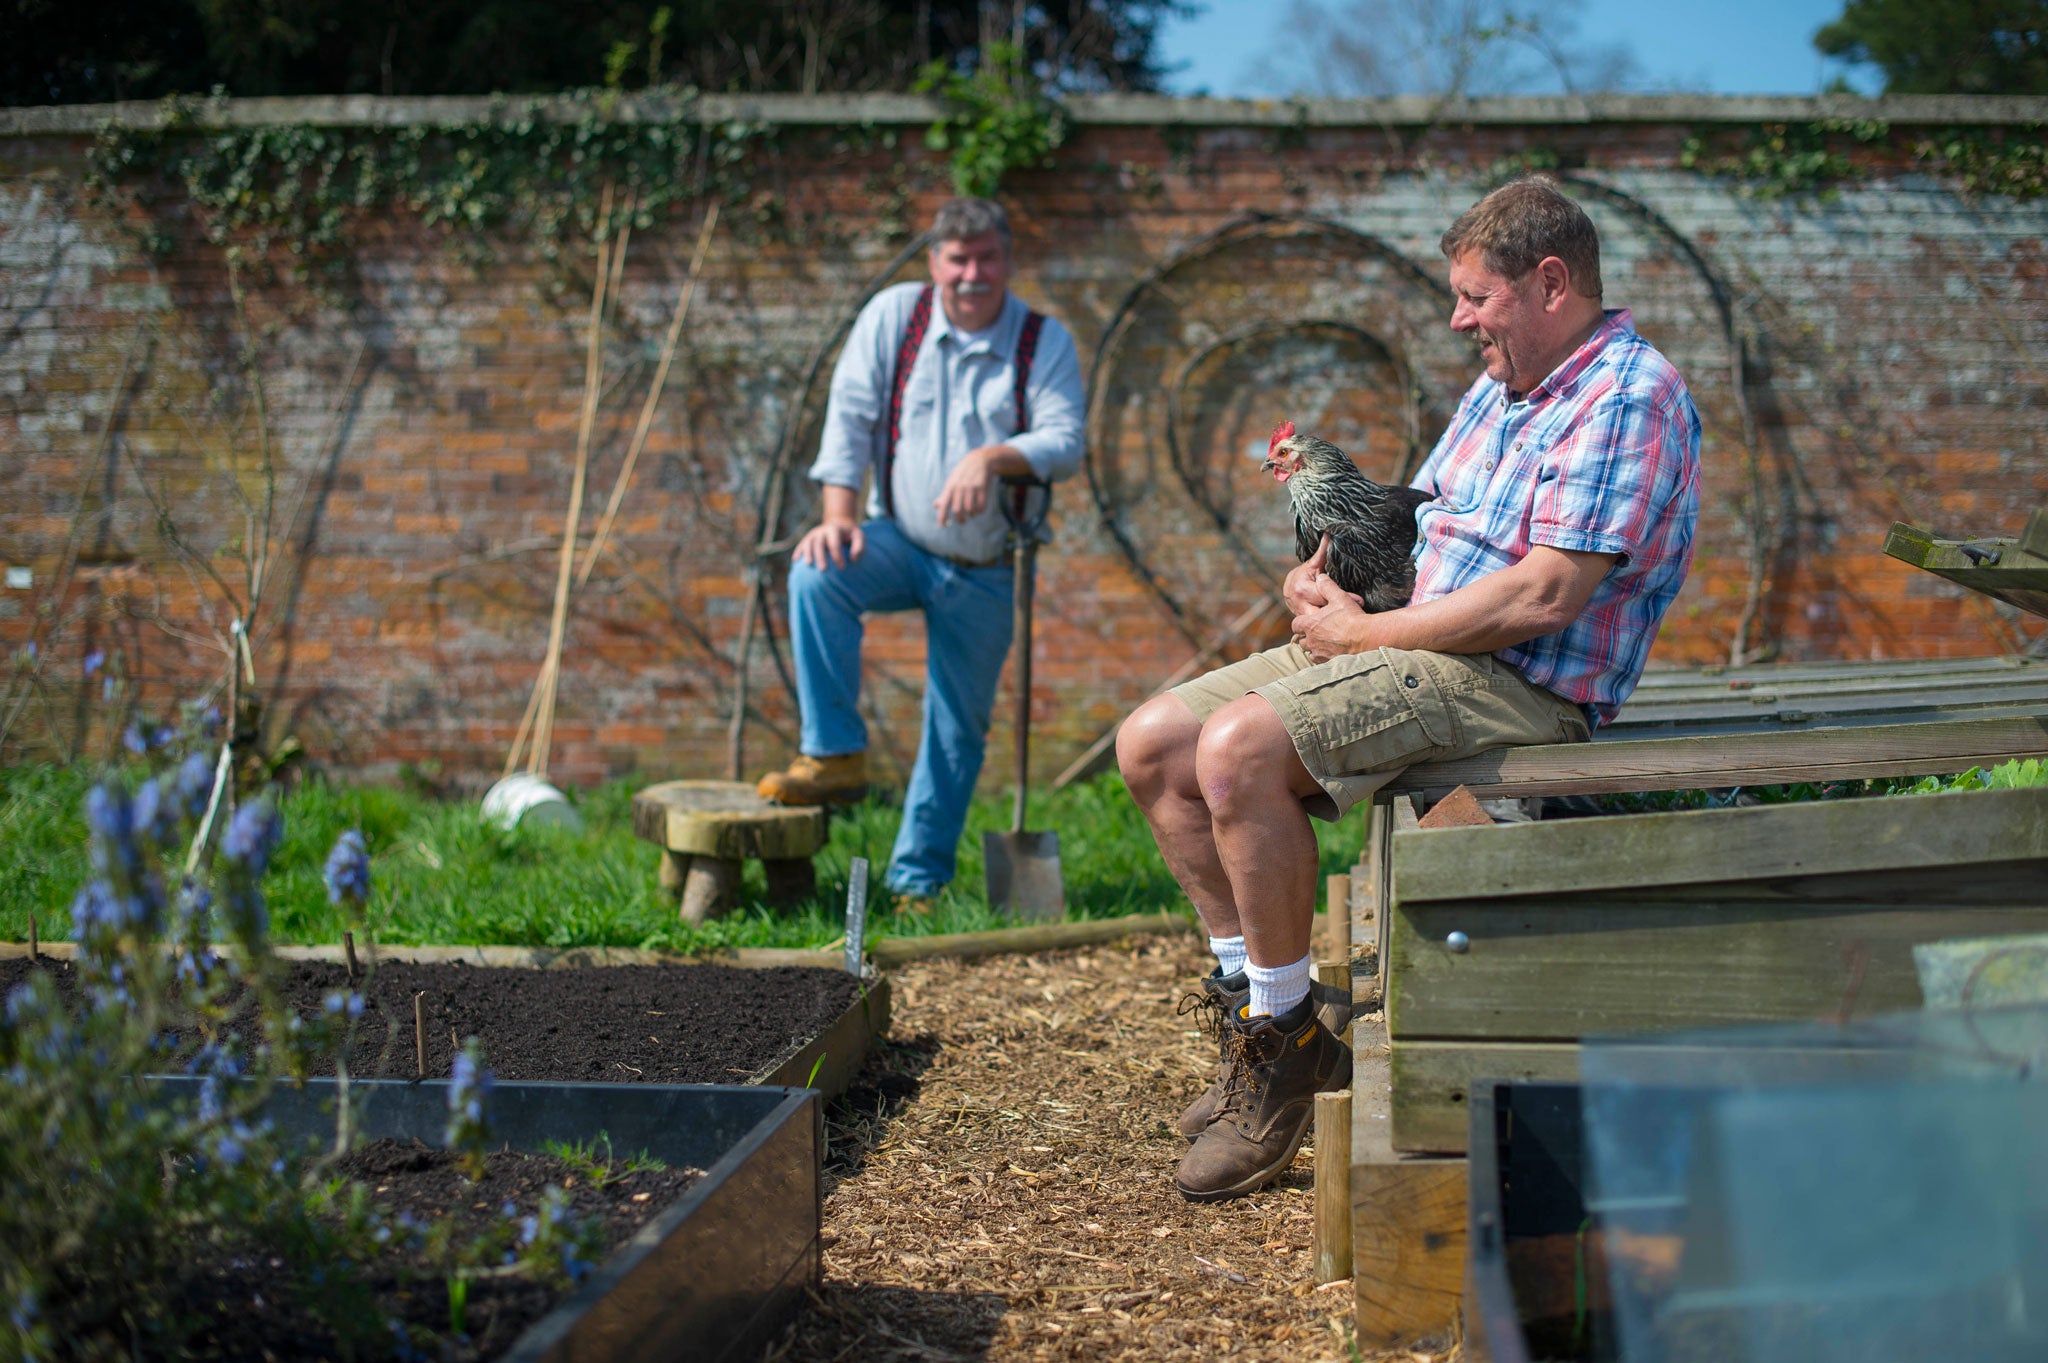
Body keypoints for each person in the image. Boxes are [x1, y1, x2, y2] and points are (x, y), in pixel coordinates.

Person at [1117, 177, 1702, 1202]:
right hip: (1409, 639)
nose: (1457, 317)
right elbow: (1412, 521)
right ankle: (1267, 1017)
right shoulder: (1499, 386)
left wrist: (1368, 630)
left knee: (1235, 752)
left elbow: (1543, 591)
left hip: (1515, 680)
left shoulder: (1626, 395)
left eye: (1475, 296)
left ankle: (1282, 1052)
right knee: (1155, 742)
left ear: (1549, 282)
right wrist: (1325, 580)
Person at [756, 197, 1086, 903]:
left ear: (1006, 261)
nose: (972, 274)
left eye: (986, 258)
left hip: (987, 567)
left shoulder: (1042, 339)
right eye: (957, 259)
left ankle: (916, 880)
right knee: (816, 570)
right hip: (899, 540)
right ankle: (834, 750)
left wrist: (992, 458)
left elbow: (1065, 441)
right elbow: (850, 414)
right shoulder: (895, 316)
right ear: (935, 262)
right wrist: (838, 516)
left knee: (956, 728)